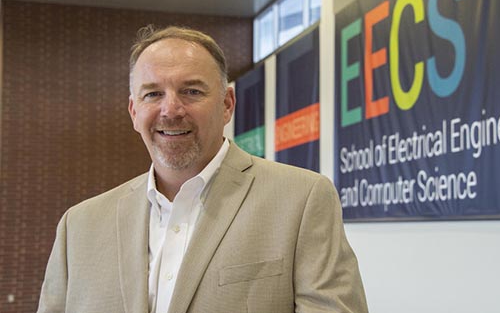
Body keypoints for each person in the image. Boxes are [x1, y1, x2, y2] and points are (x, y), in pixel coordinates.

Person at [37, 25, 368, 313]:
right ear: (134, 111)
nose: (171, 109)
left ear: (227, 104)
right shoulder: (77, 227)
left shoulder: (301, 200)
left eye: (191, 91)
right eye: (153, 94)